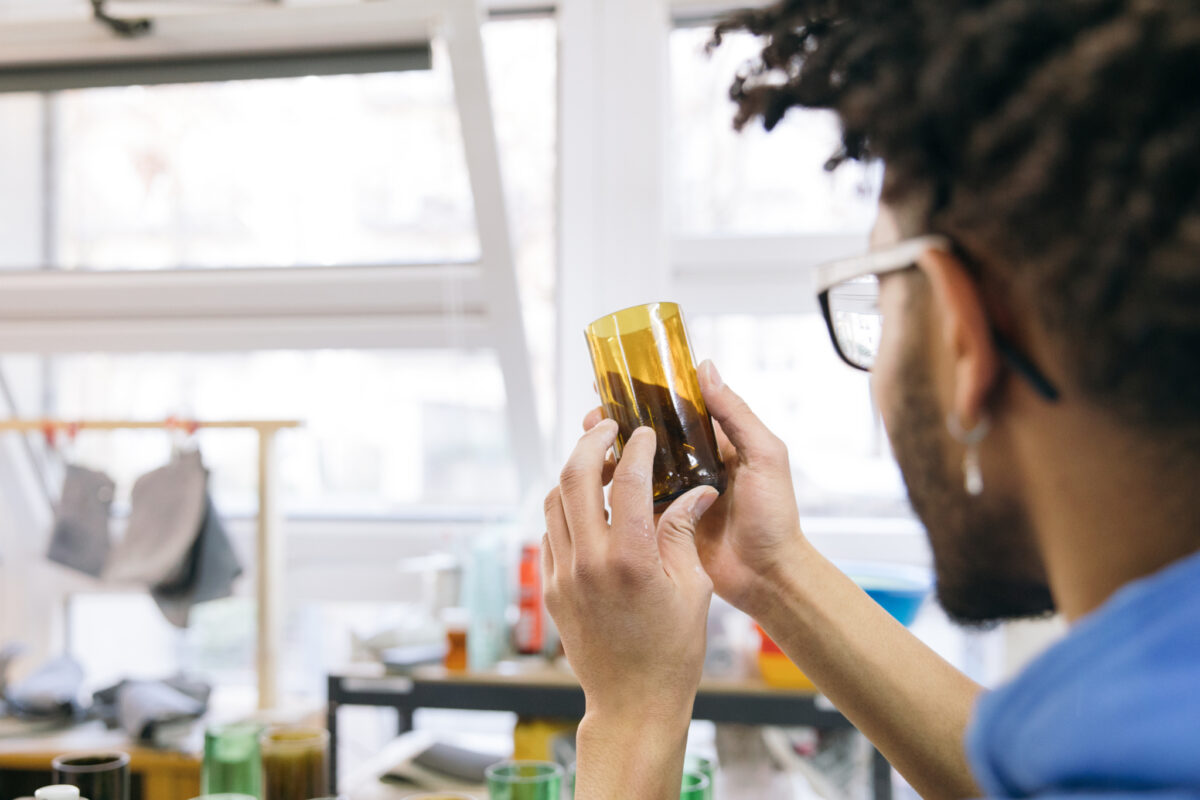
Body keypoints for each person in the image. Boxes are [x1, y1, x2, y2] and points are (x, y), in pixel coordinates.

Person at [541, 1, 1200, 798]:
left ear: (964, 334)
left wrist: (629, 712)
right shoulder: (1128, 731)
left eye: (879, 308)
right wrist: (771, 569)